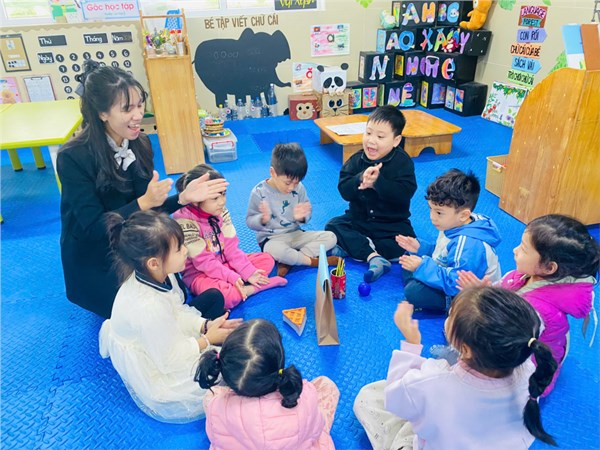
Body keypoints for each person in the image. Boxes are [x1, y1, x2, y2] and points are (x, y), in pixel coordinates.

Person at [57, 60, 228, 318]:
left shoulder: (140, 143)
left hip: (132, 238)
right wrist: (143, 203)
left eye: (140, 105)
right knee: (141, 315)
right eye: (127, 108)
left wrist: (183, 198)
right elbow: (93, 228)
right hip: (96, 253)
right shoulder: (73, 157)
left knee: (176, 298)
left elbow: (150, 209)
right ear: (102, 113)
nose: (138, 115)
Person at [354, 287, 558, 450]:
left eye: (451, 316)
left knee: (369, 396)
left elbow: (396, 398)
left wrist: (411, 344)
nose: (448, 319)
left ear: (466, 349)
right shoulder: (530, 372)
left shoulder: (433, 381)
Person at [99, 210, 242, 423]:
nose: (186, 250)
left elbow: (177, 311)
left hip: (161, 336)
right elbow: (169, 360)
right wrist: (207, 340)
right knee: (226, 367)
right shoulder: (148, 307)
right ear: (153, 262)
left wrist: (205, 325)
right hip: (159, 363)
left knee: (214, 299)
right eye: (178, 248)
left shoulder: (162, 274)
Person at [458, 214, 599, 396]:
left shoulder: (538, 310)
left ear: (549, 267)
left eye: (524, 249)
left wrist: (480, 298)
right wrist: (487, 291)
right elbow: (506, 292)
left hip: (529, 370)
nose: (515, 250)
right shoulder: (528, 275)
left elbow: (504, 336)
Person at [195, 319, 339, 449]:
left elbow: (216, 439)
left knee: (210, 396)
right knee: (326, 385)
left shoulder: (217, 408)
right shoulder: (305, 396)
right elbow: (315, 430)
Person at [173, 164, 287, 309]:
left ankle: (239, 285)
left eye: (224, 194)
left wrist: (248, 272)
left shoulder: (221, 211)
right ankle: (249, 289)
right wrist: (233, 277)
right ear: (196, 200)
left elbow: (232, 248)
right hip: (199, 274)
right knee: (224, 297)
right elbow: (204, 262)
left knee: (267, 259)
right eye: (215, 198)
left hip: (224, 263)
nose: (222, 201)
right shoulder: (185, 222)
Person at [325, 105, 417, 283]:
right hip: (359, 221)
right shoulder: (356, 160)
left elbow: (405, 193)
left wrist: (377, 183)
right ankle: (373, 257)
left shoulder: (403, 162)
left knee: (405, 241)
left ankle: (358, 249)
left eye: (380, 137)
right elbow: (344, 190)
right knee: (333, 226)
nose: (371, 141)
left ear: (396, 140)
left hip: (390, 225)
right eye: (368, 133)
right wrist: (359, 179)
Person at [397, 168, 501, 312]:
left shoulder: (469, 245)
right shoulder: (455, 222)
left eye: (439, 213)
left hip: (465, 294)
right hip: (449, 272)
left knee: (414, 292)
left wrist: (421, 267)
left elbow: (456, 283)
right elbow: (443, 252)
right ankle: (420, 278)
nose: (432, 217)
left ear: (463, 215)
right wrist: (420, 248)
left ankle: (449, 304)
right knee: (409, 256)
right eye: (430, 209)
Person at [246, 143, 340, 277]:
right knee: (277, 251)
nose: (291, 188)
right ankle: (312, 262)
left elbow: (307, 214)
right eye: (288, 183)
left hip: (296, 234)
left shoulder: (299, 188)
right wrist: (262, 219)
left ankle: (291, 261)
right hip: (271, 239)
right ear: (273, 173)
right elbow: (249, 221)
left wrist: (302, 217)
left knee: (331, 237)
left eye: (296, 183)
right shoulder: (259, 192)